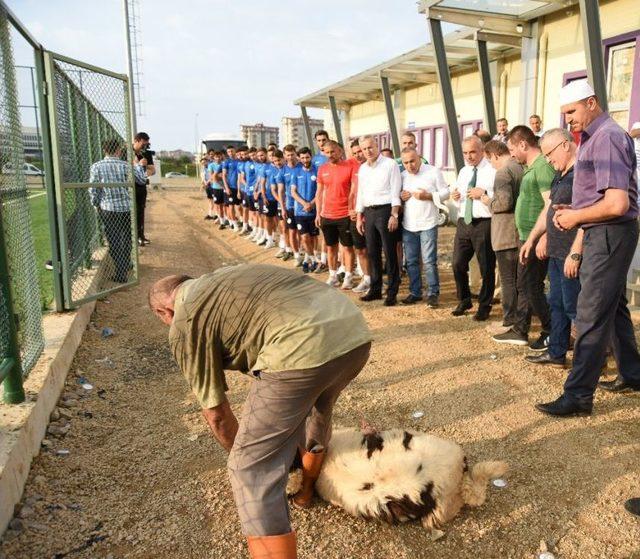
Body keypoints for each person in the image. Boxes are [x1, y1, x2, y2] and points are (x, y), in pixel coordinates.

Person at [149, 264, 371, 558]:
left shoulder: (184, 322)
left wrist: (245, 453)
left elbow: (216, 414)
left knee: (249, 467)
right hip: (353, 333)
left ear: (164, 312)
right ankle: (305, 492)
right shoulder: (226, 278)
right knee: (318, 407)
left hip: (300, 348)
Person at [536, 80, 640, 417]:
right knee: (614, 306)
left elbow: (616, 203)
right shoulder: (597, 137)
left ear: (591, 102)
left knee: (591, 313)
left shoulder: (607, 137)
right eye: (564, 113)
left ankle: (579, 396)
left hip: (610, 231)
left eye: (572, 111)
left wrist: (576, 216)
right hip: (606, 232)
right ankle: (634, 374)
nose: (567, 119)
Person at [521, 129, 581, 368]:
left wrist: (576, 253)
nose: (547, 159)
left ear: (566, 145)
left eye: (549, 153)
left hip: (571, 253)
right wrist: (535, 238)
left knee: (575, 308)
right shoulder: (560, 174)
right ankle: (556, 352)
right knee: (556, 303)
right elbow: (549, 210)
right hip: (556, 251)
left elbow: (586, 218)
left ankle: (594, 358)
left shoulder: (582, 175)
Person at [493, 126, 554, 348]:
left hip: (535, 237)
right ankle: (521, 329)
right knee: (526, 283)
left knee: (530, 285)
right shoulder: (531, 167)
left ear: (523, 144)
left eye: (511, 148)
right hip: (528, 236)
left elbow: (550, 204)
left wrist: (543, 236)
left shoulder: (542, 167)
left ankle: (551, 329)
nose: (511, 154)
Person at [450, 135, 496, 321]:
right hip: (464, 221)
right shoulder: (463, 171)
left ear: (482, 150)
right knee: (457, 263)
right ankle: (465, 299)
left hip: (484, 223)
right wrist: (455, 195)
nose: (468, 156)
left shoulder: (492, 170)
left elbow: (500, 194)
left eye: (472, 152)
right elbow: (460, 192)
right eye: (465, 153)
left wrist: (483, 193)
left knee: (487, 267)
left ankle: (485, 305)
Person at [89, 139, 146, 283]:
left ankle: (120, 271)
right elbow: (141, 180)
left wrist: (95, 203)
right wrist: (139, 166)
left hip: (108, 208)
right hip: (126, 208)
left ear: (104, 150)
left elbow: (93, 188)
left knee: (113, 239)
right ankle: (125, 265)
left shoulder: (96, 166)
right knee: (126, 238)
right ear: (119, 151)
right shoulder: (125, 165)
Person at [355, 135, 402, 306]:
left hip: (385, 211)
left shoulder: (390, 164)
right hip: (369, 212)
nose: (368, 151)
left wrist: (394, 215)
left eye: (370, 147)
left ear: (377, 146)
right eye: (364, 149)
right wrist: (359, 216)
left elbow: (396, 191)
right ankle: (375, 290)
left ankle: (392, 292)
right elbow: (361, 193)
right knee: (372, 252)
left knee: (390, 253)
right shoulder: (363, 169)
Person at [399, 147, 449, 308]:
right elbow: (397, 196)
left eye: (412, 161)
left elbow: (446, 192)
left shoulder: (433, 171)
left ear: (419, 157)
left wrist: (428, 196)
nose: (410, 165)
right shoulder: (402, 176)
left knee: (429, 261)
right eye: (406, 162)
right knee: (411, 261)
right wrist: (401, 196)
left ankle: (433, 293)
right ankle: (415, 292)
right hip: (409, 225)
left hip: (428, 223)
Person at [483, 140, 523, 329]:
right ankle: (520, 319)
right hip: (519, 232)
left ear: (495, 155)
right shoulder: (521, 167)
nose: (491, 165)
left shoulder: (503, 172)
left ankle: (510, 320)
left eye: (490, 160)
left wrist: (487, 200)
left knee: (508, 280)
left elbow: (504, 203)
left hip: (506, 233)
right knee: (519, 281)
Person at [316, 140, 357, 289]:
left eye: (333, 151)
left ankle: (348, 276)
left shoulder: (349, 166)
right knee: (330, 247)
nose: (330, 155)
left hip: (344, 214)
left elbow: (353, 191)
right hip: (327, 215)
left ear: (339, 151)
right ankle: (333, 275)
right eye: (327, 152)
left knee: (347, 247)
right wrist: (318, 213)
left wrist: (352, 209)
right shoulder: (322, 169)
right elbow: (319, 192)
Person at [347, 140, 371, 294]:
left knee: (374, 250)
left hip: (373, 215)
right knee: (360, 250)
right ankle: (367, 279)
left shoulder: (378, 166)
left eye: (360, 151)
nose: (358, 155)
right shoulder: (354, 168)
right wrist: (351, 209)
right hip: (356, 216)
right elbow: (352, 192)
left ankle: (377, 281)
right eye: (355, 153)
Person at [292, 147, 320, 272]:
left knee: (313, 238)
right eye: (302, 157)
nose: (305, 160)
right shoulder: (296, 172)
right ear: (299, 158)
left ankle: (309, 258)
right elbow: (293, 192)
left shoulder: (317, 170)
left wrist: (312, 204)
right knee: (304, 237)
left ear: (311, 157)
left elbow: (320, 191)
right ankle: (313, 259)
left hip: (314, 211)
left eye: (307, 157)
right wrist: (304, 203)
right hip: (300, 211)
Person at [276, 145, 302, 265]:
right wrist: (283, 207)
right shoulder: (282, 171)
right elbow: (280, 191)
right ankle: (296, 255)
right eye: (287, 155)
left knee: (304, 233)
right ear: (284, 156)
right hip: (290, 206)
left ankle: (305, 253)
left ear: (295, 154)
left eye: (292, 154)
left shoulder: (302, 167)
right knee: (292, 231)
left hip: (302, 207)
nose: (290, 157)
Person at [133, 131, 155, 246]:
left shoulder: (146, 153)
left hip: (140, 187)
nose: (144, 147)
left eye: (146, 144)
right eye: (143, 144)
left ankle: (140, 236)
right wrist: (137, 165)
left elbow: (152, 170)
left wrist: (144, 171)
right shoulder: (125, 152)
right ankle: (131, 237)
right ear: (136, 141)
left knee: (140, 211)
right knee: (130, 212)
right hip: (129, 187)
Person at [222, 145, 241, 232]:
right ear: (227, 153)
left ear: (235, 151)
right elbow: (223, 175)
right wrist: (226, 187)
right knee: (231, 206)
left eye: (232, 151)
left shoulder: (239, 161)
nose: (230, 153)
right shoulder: (226, 162)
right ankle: (234, 224)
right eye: (229, 152)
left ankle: (242, 222)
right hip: (230, 187)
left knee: (240, 207)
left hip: (239, 187)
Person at [207, 151, 226, 230]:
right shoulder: (211, 165)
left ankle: (226, 220)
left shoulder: (224, 164)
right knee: (218, 206)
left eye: (219, 156)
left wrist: (219, 176)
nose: (218, 158)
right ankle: (221, 221)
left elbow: (226, 175)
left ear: (221, 157)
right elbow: (212, 177)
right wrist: (219, 176)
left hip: (225, 188)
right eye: (216, 157)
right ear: (214, 157)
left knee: (226, 206)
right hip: (216, 188)